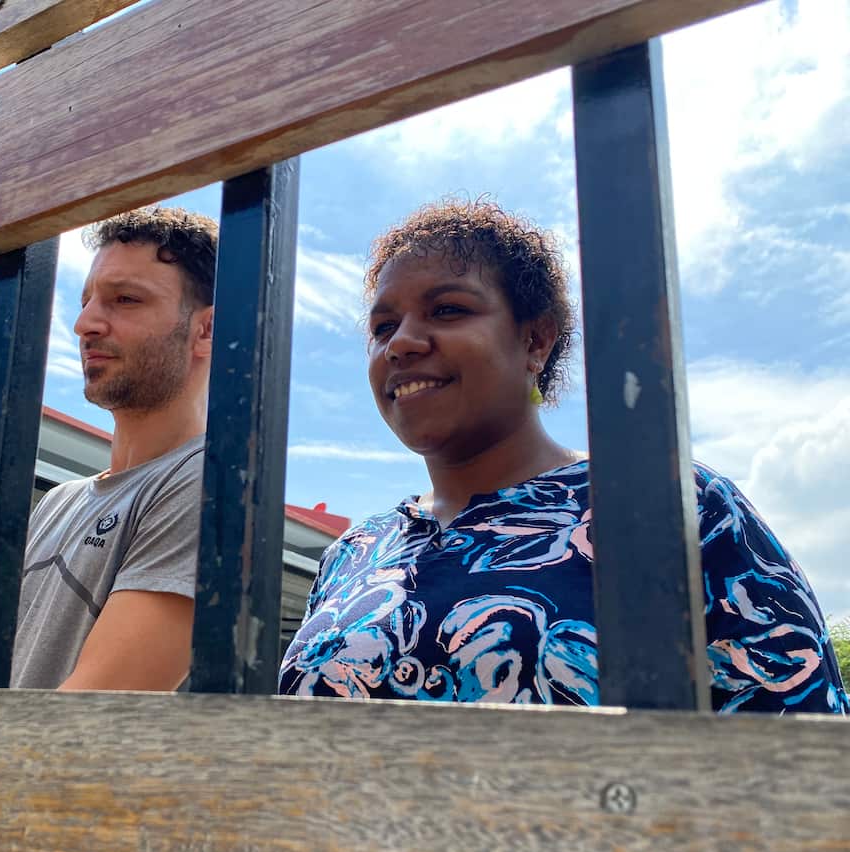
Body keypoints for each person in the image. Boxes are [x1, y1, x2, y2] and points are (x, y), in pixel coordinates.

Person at [279, 198, 848, 714]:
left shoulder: (670, 504)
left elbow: (801, 754)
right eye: (383, 326)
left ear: (536, 341)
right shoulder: (354, 552)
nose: (401, 341)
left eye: (448, 310)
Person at [11, 206, 217, 691]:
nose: (85, 324)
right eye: (86, 301)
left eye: (125, 299)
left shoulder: (210, 480)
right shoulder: (58, 501)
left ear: (205, 330)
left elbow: (91, 716)